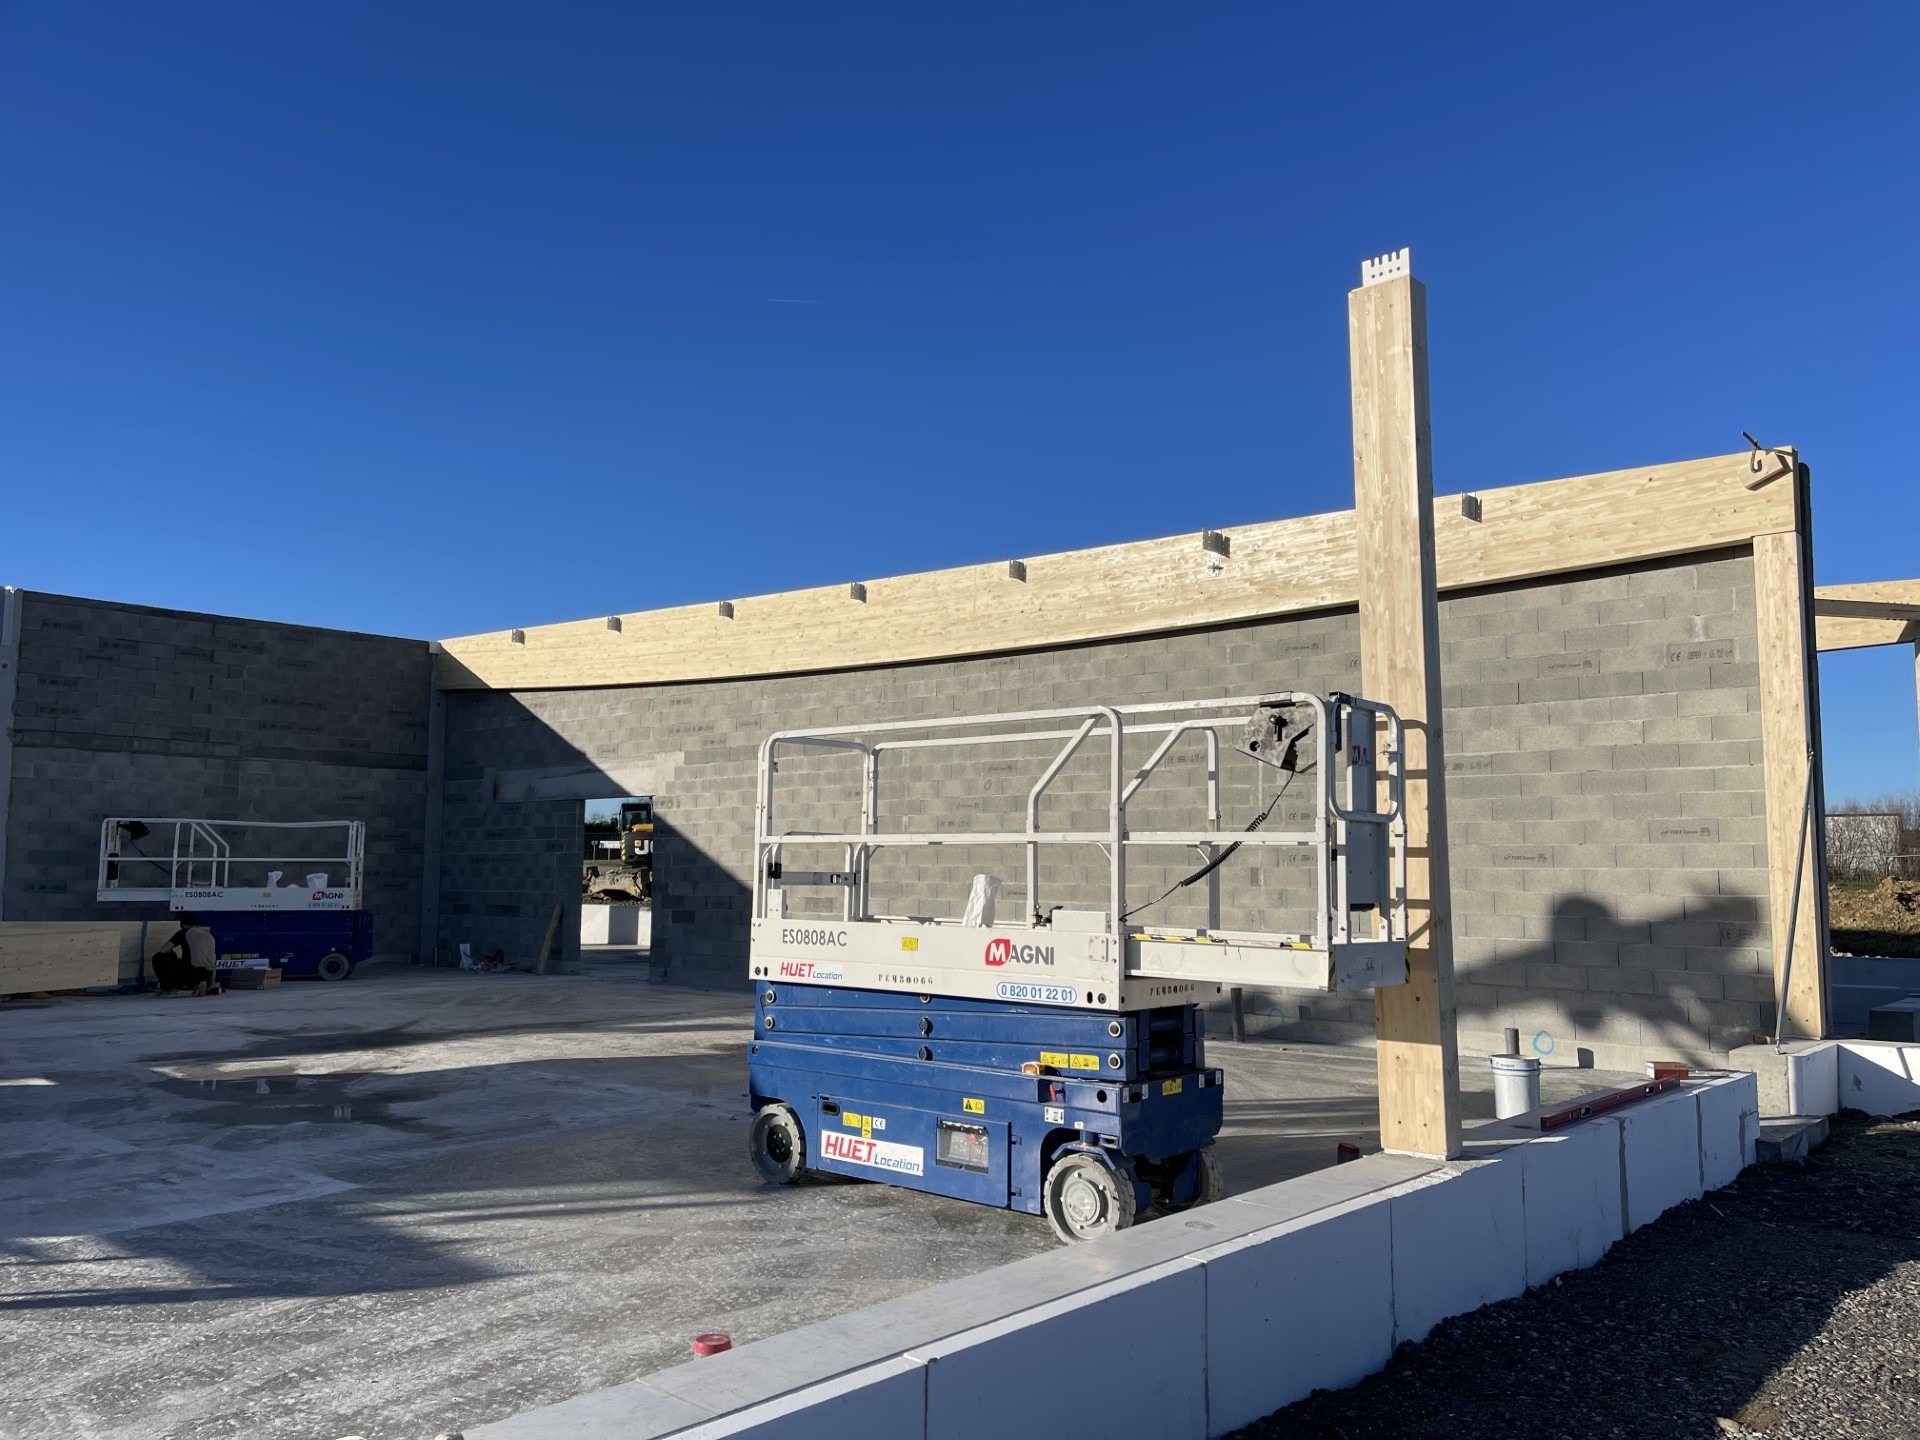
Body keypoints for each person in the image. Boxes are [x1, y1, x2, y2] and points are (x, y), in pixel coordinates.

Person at [152, 914, 220, 995]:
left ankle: (167, 987)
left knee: (158, 957)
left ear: (185, 925)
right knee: (199, 968)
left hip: (190, 973)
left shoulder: (184, 932)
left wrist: (172, 954)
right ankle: (201, 983)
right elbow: (213, 962)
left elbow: (163, 950)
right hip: (208, 975)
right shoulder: (209, 936)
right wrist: (212, 984)